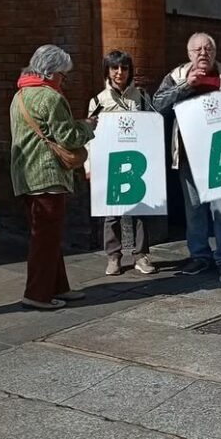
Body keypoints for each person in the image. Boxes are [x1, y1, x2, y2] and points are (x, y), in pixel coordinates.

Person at [10, 45, 97, 309]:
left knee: (47, 236)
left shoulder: (20, 95)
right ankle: (37, 294)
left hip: (25, 176)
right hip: (47, 176)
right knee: (45, 240)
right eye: (62, 74)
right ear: (49, 72)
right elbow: (68, 138)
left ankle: (58, 287)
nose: (63, 80)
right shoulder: (51, 98)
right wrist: (87, 127)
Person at [152, 32, 221, 283]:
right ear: (189, 54)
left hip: (220, 155)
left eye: (208, 49)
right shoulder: (176, 76)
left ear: (215, 52)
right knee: (194, 210)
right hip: (188, 155)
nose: (203, 53)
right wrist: (186, 86)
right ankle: (200, 256)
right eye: (198, 49)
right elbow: (157, 104)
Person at [87, 50, 157, 276]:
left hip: (138, 161)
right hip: (111, 163)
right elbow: (90, 136)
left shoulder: (142, 97)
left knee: (141, 210)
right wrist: (89, 166)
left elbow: (152, 128)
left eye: (124, 68)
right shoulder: (98, 101)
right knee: (111, 213)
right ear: (107, 71)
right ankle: (114, 256)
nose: (119, 72)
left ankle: (141, 255)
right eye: (114, 68)